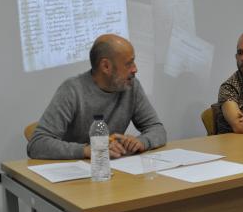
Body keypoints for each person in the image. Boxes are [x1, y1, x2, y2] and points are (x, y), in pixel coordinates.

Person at [27, 34, 167, 160]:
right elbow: (37, 144)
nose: (135, 69)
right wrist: (87, 150)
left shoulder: (131, 86)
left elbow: (157, 129)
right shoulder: (72, 90)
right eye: (128, 63)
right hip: (75, 173)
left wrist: (141, 142)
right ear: (106, 66)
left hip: (112, 169)